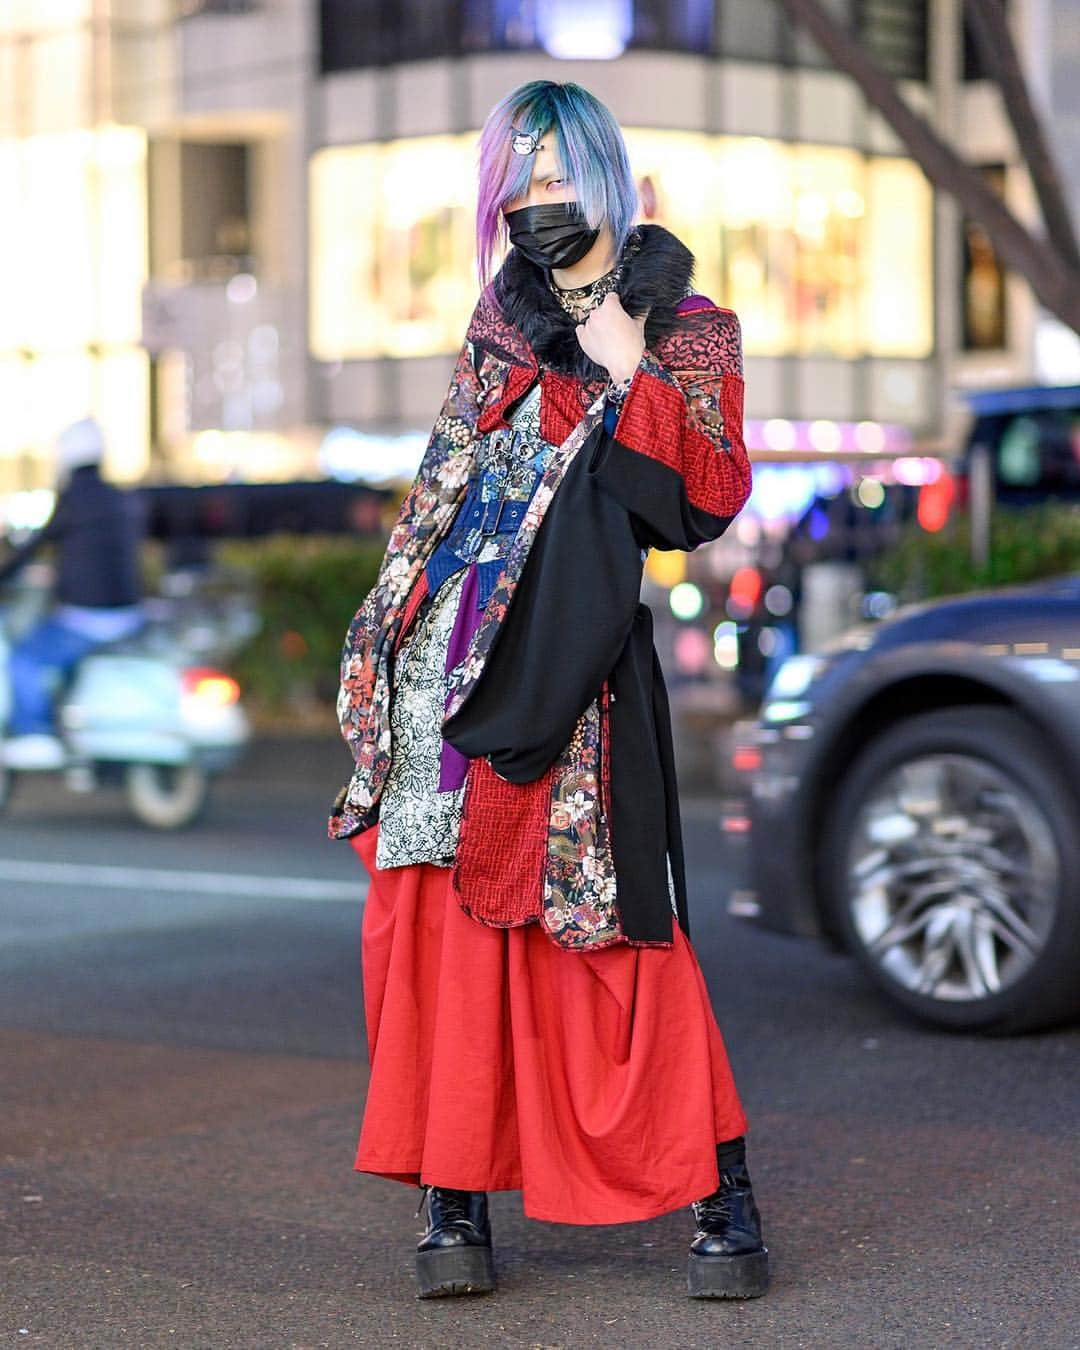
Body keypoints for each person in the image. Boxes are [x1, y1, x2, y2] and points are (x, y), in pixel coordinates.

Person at [329, 80, 768, 1302]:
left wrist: (629, 357)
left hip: (574, 665)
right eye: (513, 188)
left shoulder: (686, 324)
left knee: (614, 930)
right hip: (440, 665)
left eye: (555, 180)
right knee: (439, 931)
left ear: (606, 177)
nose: (534, 205)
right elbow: (439, 486)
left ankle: (718, 1192)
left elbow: (705, 500)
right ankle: (452, 1196)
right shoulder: (498, 325)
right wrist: (383, 640)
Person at [0, 417, 143, 769]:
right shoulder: (118, 497)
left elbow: (34, 546)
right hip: (131, 614)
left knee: (25, 659)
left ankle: (35, 731)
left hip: (87, 618)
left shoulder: (73, 499)